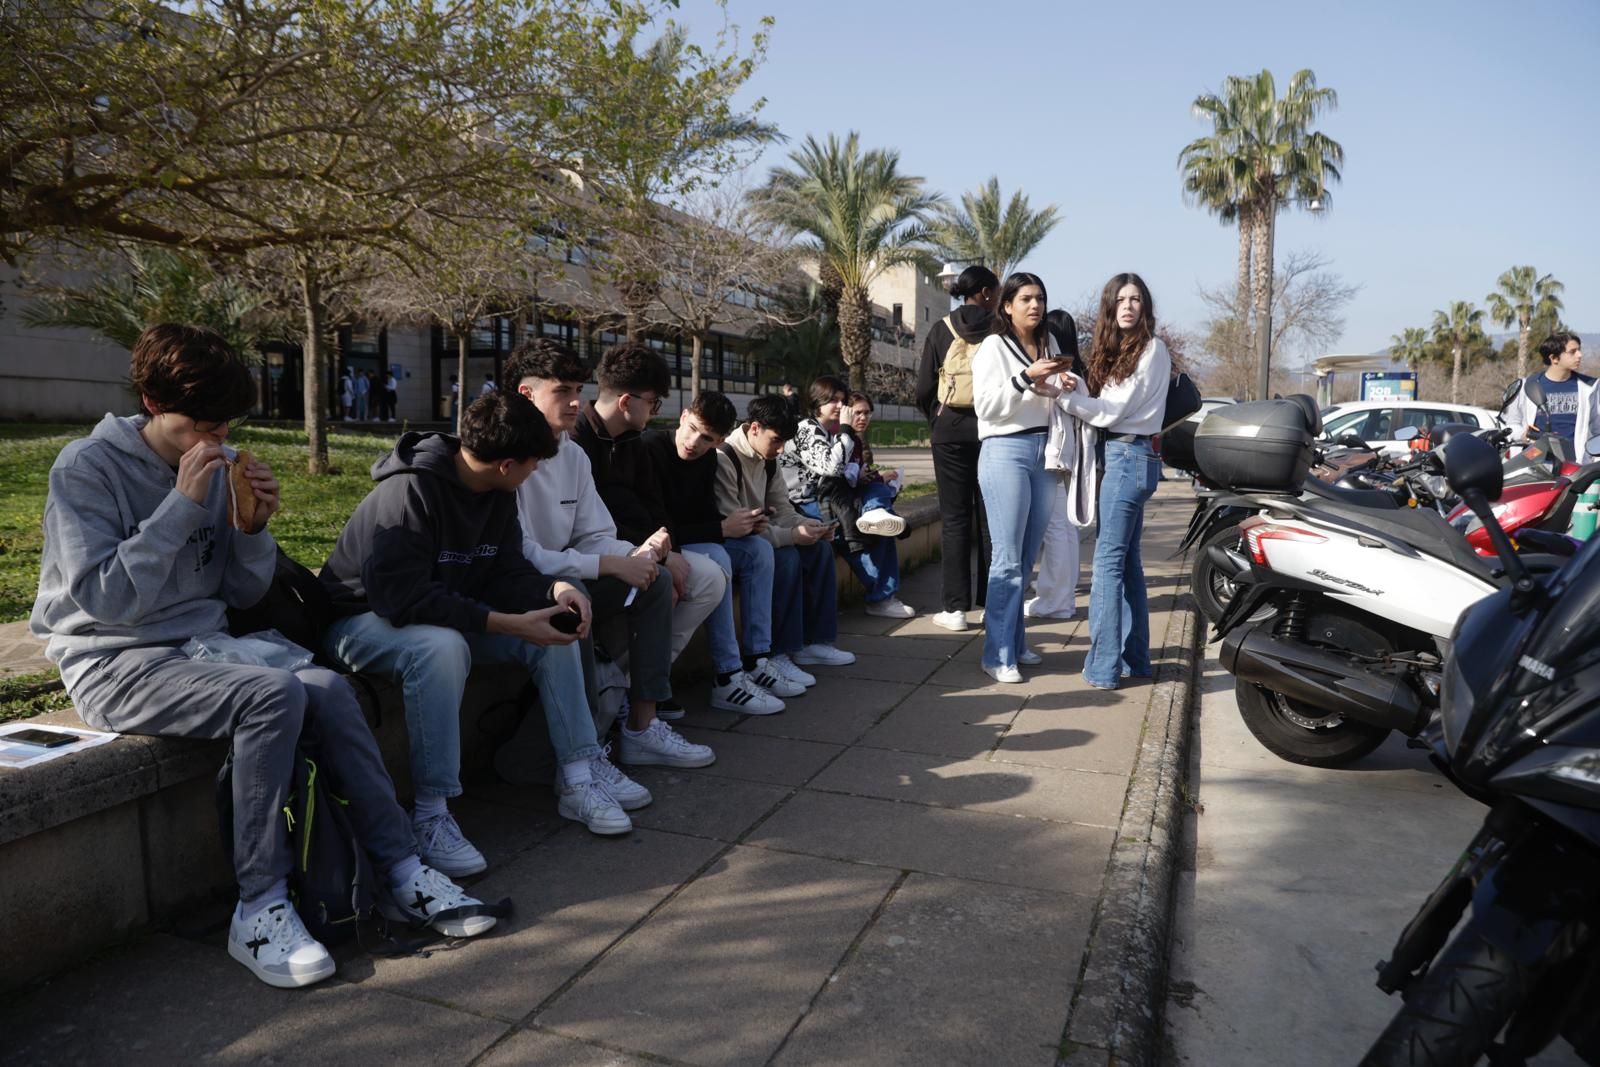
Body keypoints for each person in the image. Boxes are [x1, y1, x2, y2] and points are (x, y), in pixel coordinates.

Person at [30, 324, 496, 991]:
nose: (213, 442)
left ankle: (400, 867)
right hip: (114, 660)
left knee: (328, 687)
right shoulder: (86, 467)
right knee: (272, 692)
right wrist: (181, 506)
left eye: (223, 426)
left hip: (207, 646)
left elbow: (242, 591)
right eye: (197, 426)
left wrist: (252, 530)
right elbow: (107, 599)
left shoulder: (215, 461)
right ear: (151, 401)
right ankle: (259, 905)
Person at [319, 391, 650, 867]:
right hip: (358, 620)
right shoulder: (408, 493)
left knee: (550, 630)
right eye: (533, 464)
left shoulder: (498, 493)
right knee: (442, 647)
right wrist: (507, 623)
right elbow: (401, 600)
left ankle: (578, 777)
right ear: (506, 465)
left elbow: (505, 570)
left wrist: (554, 591)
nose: (535, 473)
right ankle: (431, 814)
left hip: (442, 611)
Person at [506, 340, 718, 766]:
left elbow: (595, 531)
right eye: (562, 391)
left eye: (577, 390)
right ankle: (584, 752)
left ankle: (642, 726)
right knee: (577, 600)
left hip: (568, 573)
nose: (575, 401)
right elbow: (521, 554)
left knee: (653, 580)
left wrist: (636, 554)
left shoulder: (573, 454)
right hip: (523, 584)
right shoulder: (505, 454)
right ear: (526, 395)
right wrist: (609, 562)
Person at [643, 391, 802, 714]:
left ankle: (756, 659)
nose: (694, 443)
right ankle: (727, 675)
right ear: (683, 416)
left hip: (690, 540)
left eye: (707, 439)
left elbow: (703, 517)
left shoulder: (708, 460)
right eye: (693, 430)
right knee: (719, 559)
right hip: (653, 545)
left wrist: (743, 525)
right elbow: (654, 521)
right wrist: (721, 529)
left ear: (716, 441)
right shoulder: (651, 447)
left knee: (758, 549)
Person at [1057, 273, 1171, 691]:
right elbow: (1105, 403)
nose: (1128, 305)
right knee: (1126, 561)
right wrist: (1079, 387)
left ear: (1145, 307)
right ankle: (1136, 660)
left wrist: (1067, 399)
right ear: (1110, 306)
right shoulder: (1122, 350)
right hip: (1125, 456)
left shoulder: (1152, 349)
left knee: (1107, 563)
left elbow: (1111, 411)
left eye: (1136, 299)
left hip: (1129, 457)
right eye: (1120, 299)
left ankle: (1103, 668)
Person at [971, 272, 1070, 683]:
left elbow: (1054, 399)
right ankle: (996, 653)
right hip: (1005, 450)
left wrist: (1062, 385)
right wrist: (1027, 378)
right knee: (1008, 559)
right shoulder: (993, 346)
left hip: (1044, 451)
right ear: (1007, 305)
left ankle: (1015, 640)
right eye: (1026, 298)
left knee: (1028, 557)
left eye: (1041, 298)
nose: (1035, 305)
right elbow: (987, 407)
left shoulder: (1049, 344)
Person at [716, 395, 856, 672]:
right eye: (776, 440)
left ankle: (816, 642)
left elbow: (782, 507)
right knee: (788, 557)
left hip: (760, 534)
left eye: (783, 442)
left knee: (819, 549)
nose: (781, 450)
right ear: (754, 428)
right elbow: (738, 528)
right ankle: (780, 651)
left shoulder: (768, 457)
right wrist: (791, 535)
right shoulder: (725, 458)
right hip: (734, 541)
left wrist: (807, 526)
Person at [782, 375, 914, 619]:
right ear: (816, 402)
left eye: (842, 400)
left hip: (830, 497)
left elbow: (840, 471)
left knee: (881, 529)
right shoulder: (807, 429)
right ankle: (880, 596)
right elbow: (831, 467)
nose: (840, 406)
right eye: (832, 400)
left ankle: (884, 596)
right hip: (803, 503)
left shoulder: (830, 430)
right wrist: (845, 430)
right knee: (847, 530)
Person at [916, 265, 999, 632]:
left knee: (954, 519)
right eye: (994, 292)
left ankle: (955, 609)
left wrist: (937, 420)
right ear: (983, 292)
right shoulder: (999, 330)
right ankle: (992, 603)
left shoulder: (941, 329)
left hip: (949, 431)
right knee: (991, 519)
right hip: (991, 430)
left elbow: (922, 388)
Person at [1026, 309, 1083, 621]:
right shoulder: (1076, 369)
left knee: (1056, 528)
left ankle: (1054, 600)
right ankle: (1061, 593)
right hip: (1070, 456)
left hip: (1054, 454)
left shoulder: (1058, 372)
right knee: (1066, 527)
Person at [1504, 332, 1592, 456]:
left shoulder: (1590, 387)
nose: (1579, 355)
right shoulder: (1525, 386)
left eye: (1579, 350)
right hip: (1535, 465)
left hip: (1575, 467)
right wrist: (1523, 435)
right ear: (1554, 358)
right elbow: (1511, 425)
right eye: (1573, 352)